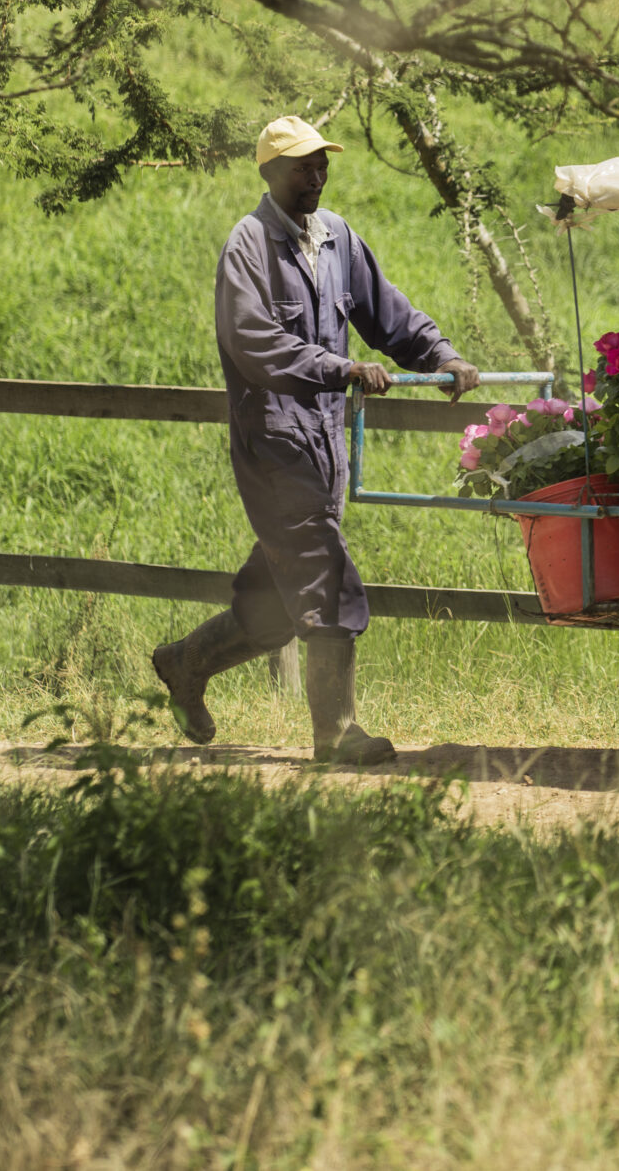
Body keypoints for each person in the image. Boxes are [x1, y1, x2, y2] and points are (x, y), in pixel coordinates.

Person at [151, 115, 481, 764]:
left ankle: (184, 662)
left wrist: (440, 354)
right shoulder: (247, 247)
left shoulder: (336, 240)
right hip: (274, 449)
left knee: (276, 603)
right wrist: (340, 368)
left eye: (322, 163)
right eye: (304, 165)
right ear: (271, 173)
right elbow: (255, 344)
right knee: (329, 581)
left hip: (324, 449)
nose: (317, 175)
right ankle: (335, 735)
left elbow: (391, 316)